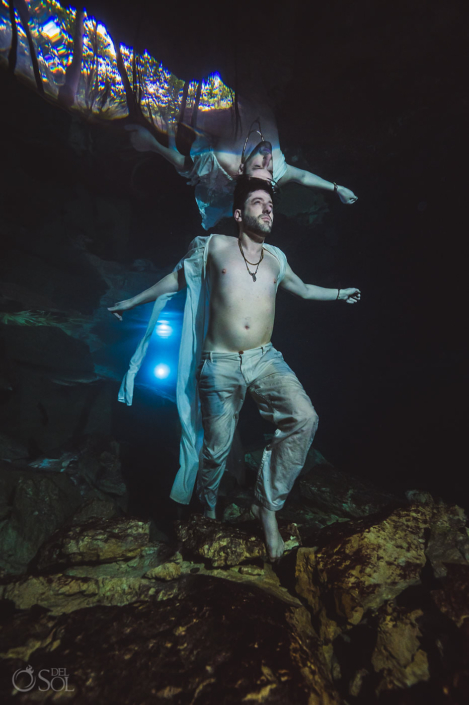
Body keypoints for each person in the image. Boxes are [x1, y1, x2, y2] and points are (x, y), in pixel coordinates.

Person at [108, 176, 361, 560]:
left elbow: (305, 289)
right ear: (240, 215)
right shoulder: (213, 246)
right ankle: (208, 512)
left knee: (304, 418)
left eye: (271, 205)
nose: (268, 209)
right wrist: (132, 302)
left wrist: (341, 293)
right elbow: (177, 280)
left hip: (264, 358)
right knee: (215, 451)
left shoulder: (277, 258)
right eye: (259, 203)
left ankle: (267, 507)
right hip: (219, 364)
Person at [127, 95, 358, 230]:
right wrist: (337, 188)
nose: (267, 157)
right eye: (268, 167)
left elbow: (182, 163)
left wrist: (152, 144)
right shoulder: (276, 172)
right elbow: (303, 177)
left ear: (241, 170)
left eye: (260, 165)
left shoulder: (224, 161)